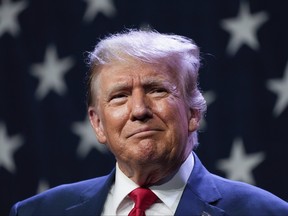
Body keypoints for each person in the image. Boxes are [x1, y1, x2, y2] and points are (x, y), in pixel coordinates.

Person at [10, 29, 288, 216]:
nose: (139, 110)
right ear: (97, 124)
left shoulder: (266, 212)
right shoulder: (37, 211)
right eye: (119, 96)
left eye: (157, 90)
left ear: (193, 113)